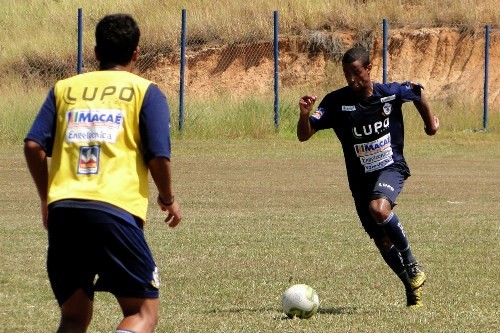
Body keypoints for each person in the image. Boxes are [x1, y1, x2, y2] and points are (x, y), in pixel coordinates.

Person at [24, 14, 182, 332]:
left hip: (64, 212)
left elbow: (33, 146)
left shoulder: (64, 89)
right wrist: (167, 198)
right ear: (136, 52)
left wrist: (47, 199)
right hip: (115, 212)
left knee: (74, 317)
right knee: (142, 313)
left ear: (96, 52)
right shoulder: (145, 92)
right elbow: (158, 157)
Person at [297, 47, 439, 308]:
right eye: (347, 74)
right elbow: (304, 135)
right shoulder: (336, 102)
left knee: (379, 209)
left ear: (369, 69)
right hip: (360, 182)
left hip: (391, 167)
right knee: (382, 240)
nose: (352, 79)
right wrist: (305, 115)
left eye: (356, 72)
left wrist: (431, 126)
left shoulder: (390, 93)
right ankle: (410, 286)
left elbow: (417, 92)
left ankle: (412, 264)